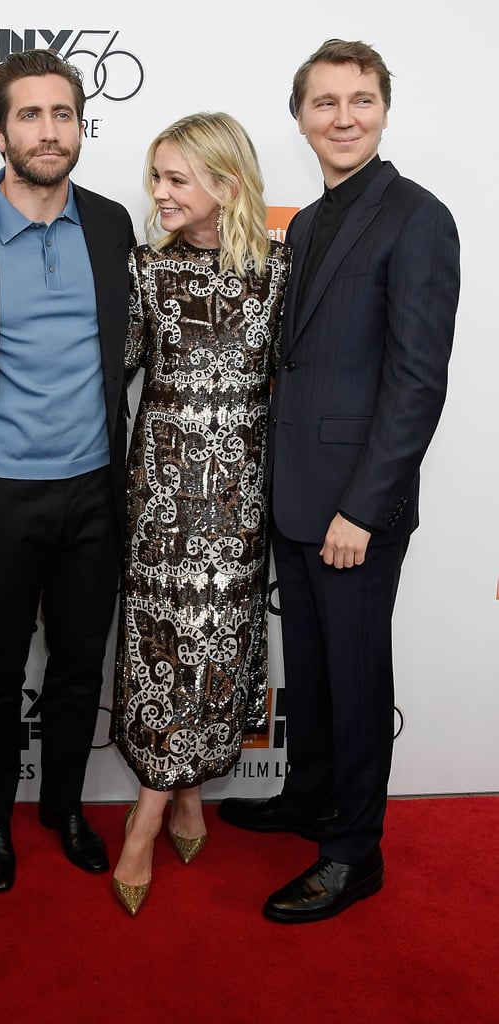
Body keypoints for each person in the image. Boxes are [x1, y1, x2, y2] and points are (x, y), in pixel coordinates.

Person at [218, 39, 460, 923]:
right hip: (296, 494)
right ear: (301, 119)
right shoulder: (311, 223)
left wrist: (364, 506)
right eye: (325, 103)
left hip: (356, 506)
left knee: (357, 682)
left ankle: (355, 853)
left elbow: (417, 380)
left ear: (385, 109)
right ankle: (309, 795)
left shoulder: (417, 216)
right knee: (313, 672)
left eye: (360, 100)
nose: (344, 117)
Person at [0, 49, 136, 892]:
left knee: (82, 661)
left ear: (81, 125)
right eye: (31, 116)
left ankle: (67, 809)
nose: (50, 132)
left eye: (64, 115)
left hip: (93, 487)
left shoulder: (114, 224)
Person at [111, 112, 290, 916]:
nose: (160, 193)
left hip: (242, 502)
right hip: (160, 500)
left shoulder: (280, 274)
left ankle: (162, 808)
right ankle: (164, 809)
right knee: (162, 648)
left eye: (176, 178)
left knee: (216, 649)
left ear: (226, 183)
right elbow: (108, 372)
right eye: (157, 177)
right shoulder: (144, 272)